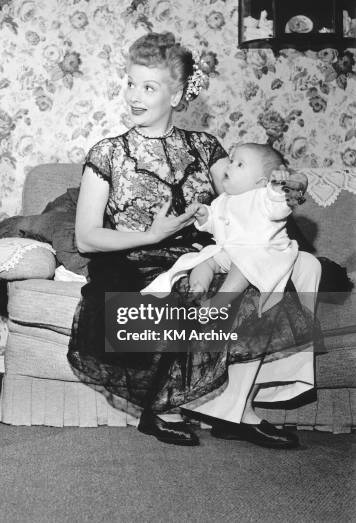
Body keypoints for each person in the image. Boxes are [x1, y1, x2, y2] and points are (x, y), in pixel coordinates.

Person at [68, 32, 321, 449]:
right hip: (138, 261)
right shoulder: (108, 153)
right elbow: (86, 237)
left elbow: (250, 190)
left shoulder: (204, 147)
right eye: (131, 83)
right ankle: (168, 405)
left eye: (148, 87)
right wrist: (153, 233)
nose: (134, 95)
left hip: (203, 250)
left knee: (295, 266)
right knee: (201, 287)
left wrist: (287, 188)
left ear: (178, 93)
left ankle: (234, 408)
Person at [143, 142, 307, 315]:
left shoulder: (264, 198)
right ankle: (197, 288)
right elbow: (215, 223)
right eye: (232, 160)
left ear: (261, 182)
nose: (230, 165)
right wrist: (204, 215)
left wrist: (277, 189)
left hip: (260, 253)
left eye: (240, 164)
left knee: (243, 265)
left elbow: (280, 207)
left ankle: (221, 300)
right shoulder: (223, 200)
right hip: (229, 251)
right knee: (204, 259)